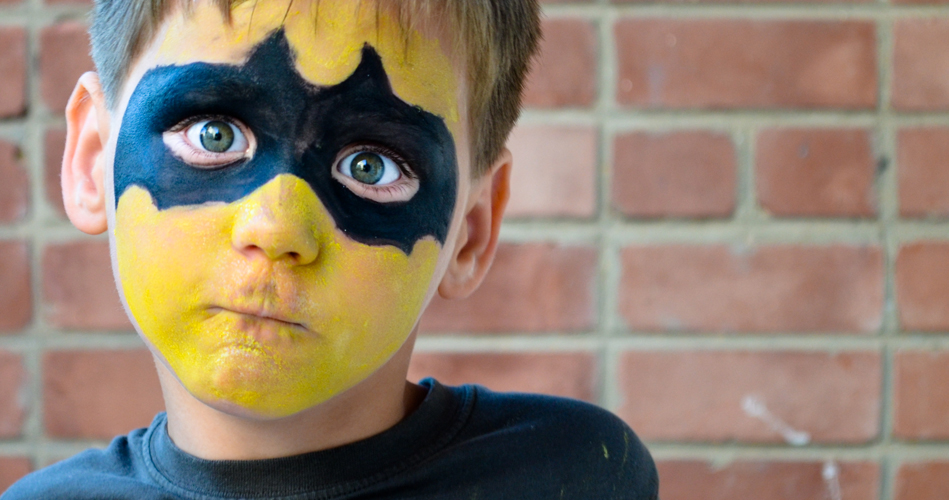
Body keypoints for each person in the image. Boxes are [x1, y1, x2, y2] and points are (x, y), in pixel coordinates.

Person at [4, 1, 658, 498]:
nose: (277, 225)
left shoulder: (570, 475)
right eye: (212, 133)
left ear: (472, 228)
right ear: (94, 158)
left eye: (371, 165)